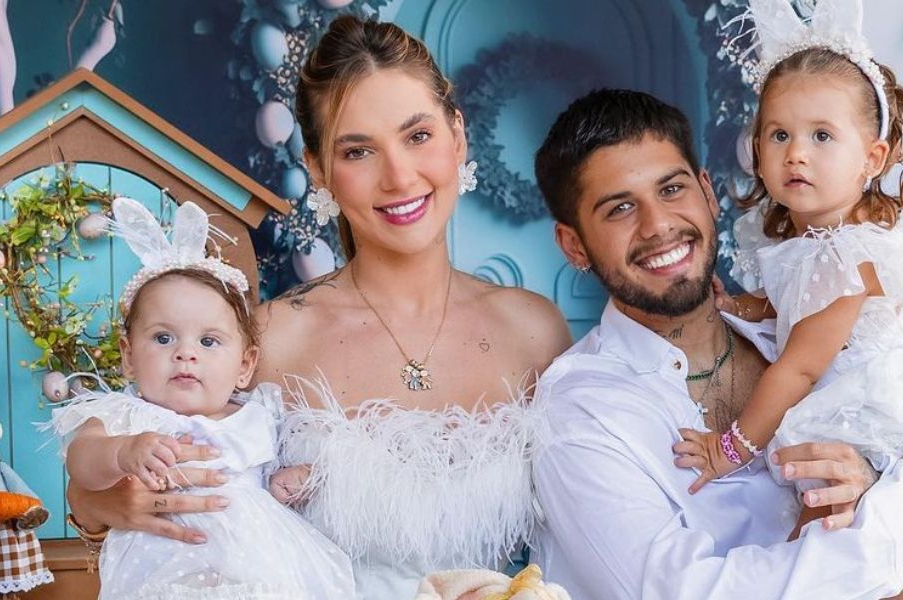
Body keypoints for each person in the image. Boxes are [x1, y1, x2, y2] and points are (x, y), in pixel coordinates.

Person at [65, 15, 572, 600]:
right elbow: (141, 452)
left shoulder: (536, 331)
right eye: (359, 151)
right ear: (317, 169)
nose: (400, 176)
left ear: (457, 137)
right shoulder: (271, 339)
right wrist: (96, 501)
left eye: (419, 136)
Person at [530, 85, 903, 599]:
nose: (659, 225)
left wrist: (871, 488)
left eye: (672, 189)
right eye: (619, 209)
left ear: (707, 193)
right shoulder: (580, 413)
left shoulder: (808, 336)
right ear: (574, 244)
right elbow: (680, 593)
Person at [671, 1, 903, 596]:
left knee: (840, 535)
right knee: (855, 554)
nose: (796, 152)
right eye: (779, 134)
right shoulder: (818, 239)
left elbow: (799, 364)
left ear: (872, 158)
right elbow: (794, 309)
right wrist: (746, 306)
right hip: (874, 413)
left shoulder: (843, 255)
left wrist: (731, 448)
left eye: (822, 136)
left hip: (888, 417)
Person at [49, 198, 355, 599]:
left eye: (208, 341)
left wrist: (289, 480)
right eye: (163, 338)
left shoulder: (259, 414)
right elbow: (82, 462)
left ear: (245, 366)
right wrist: (122, 453)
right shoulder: (127, 415)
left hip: (259, 569)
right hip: (164, 573)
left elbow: (272, 478)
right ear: (127, 356)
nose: (185, 353)